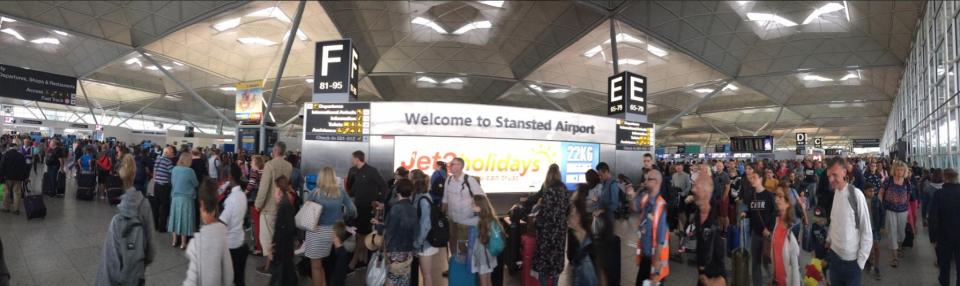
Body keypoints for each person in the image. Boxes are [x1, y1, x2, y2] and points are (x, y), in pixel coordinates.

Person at [95, 154, 157, 286]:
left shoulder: (116, 220)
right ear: (134, 174)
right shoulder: (145, 204)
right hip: (136, 276)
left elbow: (110, 260)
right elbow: (151, 251)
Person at [304, 167, 357, 286]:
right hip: (334, 234)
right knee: (324, 264)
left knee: (316, 265)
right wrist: (342, 217)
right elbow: (353, 210)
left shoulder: (315, 193)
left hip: (317, 232)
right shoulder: (341, 192)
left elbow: (306, 211)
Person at [825, 157, 872, 286]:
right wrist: (829, 240)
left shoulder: (855, 195)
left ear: (845, 172)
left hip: (852, 262)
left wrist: (860, 263)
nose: (831, 179)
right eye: (828, 175)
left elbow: (866, 230)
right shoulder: (836, 193)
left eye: (835, 175)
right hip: (834, 257)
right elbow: (834, 221)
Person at [183, 178, 233, 286]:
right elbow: (229, 275)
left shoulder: (195, 243)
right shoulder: (223, 236)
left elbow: (191, 281)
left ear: (202, 205)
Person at [255, 142, 293, 273]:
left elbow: (264, 188)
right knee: (277, 237)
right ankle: (272, 265)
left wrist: (258, 205)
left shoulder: (269, 165)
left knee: (268, 238)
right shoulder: (289, 166)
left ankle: (270, 266)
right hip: (283, 206)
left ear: (275, 150)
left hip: (269, 208)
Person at [346, 150, 388, 269]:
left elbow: (384, 185)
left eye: (352, 158)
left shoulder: (371, 171)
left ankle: (355, 261)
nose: (351, 160)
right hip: (358, 207)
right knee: (360, 234)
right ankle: (363, 259)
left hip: (368, 208)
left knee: (362, 234)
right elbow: (354, 189)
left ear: (358, 159)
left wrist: (380, 201)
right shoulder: (356, 171)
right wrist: (344, 196)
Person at [442, 157, 485, 269]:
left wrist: (477, 209)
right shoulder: (449, 180)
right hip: (452, 218)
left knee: (463, 244)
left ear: (460, 166)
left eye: (453, 164)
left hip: (465, 220)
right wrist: (442, 215)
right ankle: (454, 265)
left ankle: (467, 266)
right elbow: (445, 198)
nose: (450, 166)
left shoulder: (469, 180)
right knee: (452, 241)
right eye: (450, 164)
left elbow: (481, 197)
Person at [373, 178, 417, 286]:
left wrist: (378, 225)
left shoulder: (396, 208)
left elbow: (389, 231)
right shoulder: (413, 208)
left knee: (391, 280)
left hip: (395, 250)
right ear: (411, 192)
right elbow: (416, 230)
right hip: (408, 250)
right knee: (404, 279)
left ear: (397, 192)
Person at [630, 169, 669, 286]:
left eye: (648, 179)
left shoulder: (661, 206)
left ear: (657, 182)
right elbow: (634, 208)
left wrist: (656, 270)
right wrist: (632, 195)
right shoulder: (645, 199)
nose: (645, 182)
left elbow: (660, 241)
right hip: (645, 257)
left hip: (655, 260)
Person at [533, 164, 569, 286]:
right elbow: (567, 209)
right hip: (560, 231)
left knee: (544, 263)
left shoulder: (549, 190)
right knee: (556, 262)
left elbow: (546, 213)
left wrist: (538, 207)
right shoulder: (564, 188)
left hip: (547, 232)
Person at [692, 167, 725, 286]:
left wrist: (711, 282)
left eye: (697, 187)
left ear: (706, 193)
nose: (693, 189)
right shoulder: (698, 213)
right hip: (702, 274)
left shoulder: (712, 227)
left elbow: (722, 275)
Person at [930, 168, 960, 286]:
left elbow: (933, 217)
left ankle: (944, 283)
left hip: (944, 235)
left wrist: (933, 238)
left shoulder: (939, 194)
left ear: (945, 178)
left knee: (944, 264)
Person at [219, 163, 248, 286]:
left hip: (231, 246)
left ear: (229, 177)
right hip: (240, 242)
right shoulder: (241, 194)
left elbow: (222, 224)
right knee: (239, 279)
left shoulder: (232, 199)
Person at [879, 160, 911, 268]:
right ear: (894, 170)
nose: (899, 171)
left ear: (904, 171)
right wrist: (880, 200)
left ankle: (900, 245)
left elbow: (909, 195)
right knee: (892, 231)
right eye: (897, 169)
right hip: (890, 209)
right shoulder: (889, 180)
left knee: (901, 232)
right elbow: (881, 191)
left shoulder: (907, 182)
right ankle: (895, 257)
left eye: (901, 170)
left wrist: (909, 209)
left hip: (903, 210)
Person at [268, 176, 298, 286]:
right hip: (287, 250)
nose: (274, 193)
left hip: (282, 251)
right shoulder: (287, 203)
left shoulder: (283, 207)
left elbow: (280, 232)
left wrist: (273, 249)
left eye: (275, 190)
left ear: (280, 191)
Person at [411, 169, 438, 286]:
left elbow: (425, 225)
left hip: (424, 243)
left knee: (426, 274)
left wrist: (418, 243)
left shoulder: (423, 200)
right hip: (421, 242)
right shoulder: (419, 197)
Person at [747, 170, 775, 286]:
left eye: (754, 177)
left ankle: (772, 280)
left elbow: (774, 213)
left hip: (766, 235)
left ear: (760, 179)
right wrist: (745, 214)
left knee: (767, 261)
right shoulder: (751, 195)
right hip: (755, 234)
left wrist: (768, 229)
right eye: (751, 178)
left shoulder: (768, 195)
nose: (752, 180)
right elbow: (751, 212)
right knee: (755, 262)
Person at [772, 187, 801, 286]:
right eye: (776, 195)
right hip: (777, 279)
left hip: (787, 281)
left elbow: (795, 266)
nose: (776, 199)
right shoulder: (776, 222)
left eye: (780, 196)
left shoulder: (792, 229)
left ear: (788, 203)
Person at [169, 153, 199, 249]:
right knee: (184, 220)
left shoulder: (174, 169)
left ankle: (174, 241)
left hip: (175, 197)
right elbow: (196, 183)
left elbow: (172, 182)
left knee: (175, 218)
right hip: (186, 199)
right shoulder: (190, 171)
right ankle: (183, 243)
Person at [567, 197, 599, 286]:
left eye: (572, 215)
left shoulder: (586, 256)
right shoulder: (579, 242)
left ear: (579, 218)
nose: (569, 218)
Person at [472, 194, 501, 286]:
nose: (471, 205)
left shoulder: (477, 221)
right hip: (490, 254)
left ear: (479, 207)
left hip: (482, 256)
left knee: (483, 282)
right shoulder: (491, 218)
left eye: (473, 204)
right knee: (488, 280)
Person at [863, 183, 885, 280]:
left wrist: (882, 227)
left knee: (876, 247)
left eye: (873, 191)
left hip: (874, 228)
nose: (872, 193)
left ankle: (876, 267)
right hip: (865, 229)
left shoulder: (876, 200)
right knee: (866, 247)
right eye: (870, 191)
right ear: (865, 191)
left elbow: (882, 213)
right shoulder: (861, 201)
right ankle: (868, 261)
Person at [0, 141, 27, 215]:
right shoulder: (21, 156)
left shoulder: (5, 155)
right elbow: (24, 168)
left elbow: (2, 167)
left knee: (6, 193)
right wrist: (24, 177)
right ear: (16, 148)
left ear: (9, 148)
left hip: (7, 178)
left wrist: (1, 177)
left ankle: (6, 208)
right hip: (18, 178)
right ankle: (16, 209)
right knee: (17, 193)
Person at [153, 146, 176, 232]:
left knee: (156, 206)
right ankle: (162, 227)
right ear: (167, 153)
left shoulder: (158, 159)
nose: (173, 155)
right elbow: (172, 173)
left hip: (157, 185)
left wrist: (156, 180)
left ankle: (155, 225)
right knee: (165, 207)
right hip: (164, 186)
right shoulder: (168, 161)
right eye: (172, 153)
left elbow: (154, 171)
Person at [248, 155, 265, 256]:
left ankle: (258, 247)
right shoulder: (264, 171)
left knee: (257, 224)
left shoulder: (255, 171)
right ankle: (261, 245)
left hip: (256, 200)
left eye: (252, 162)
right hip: (263, 200)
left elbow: (251, 185)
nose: (250, 163)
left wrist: (244, 192)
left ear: (256, 163)